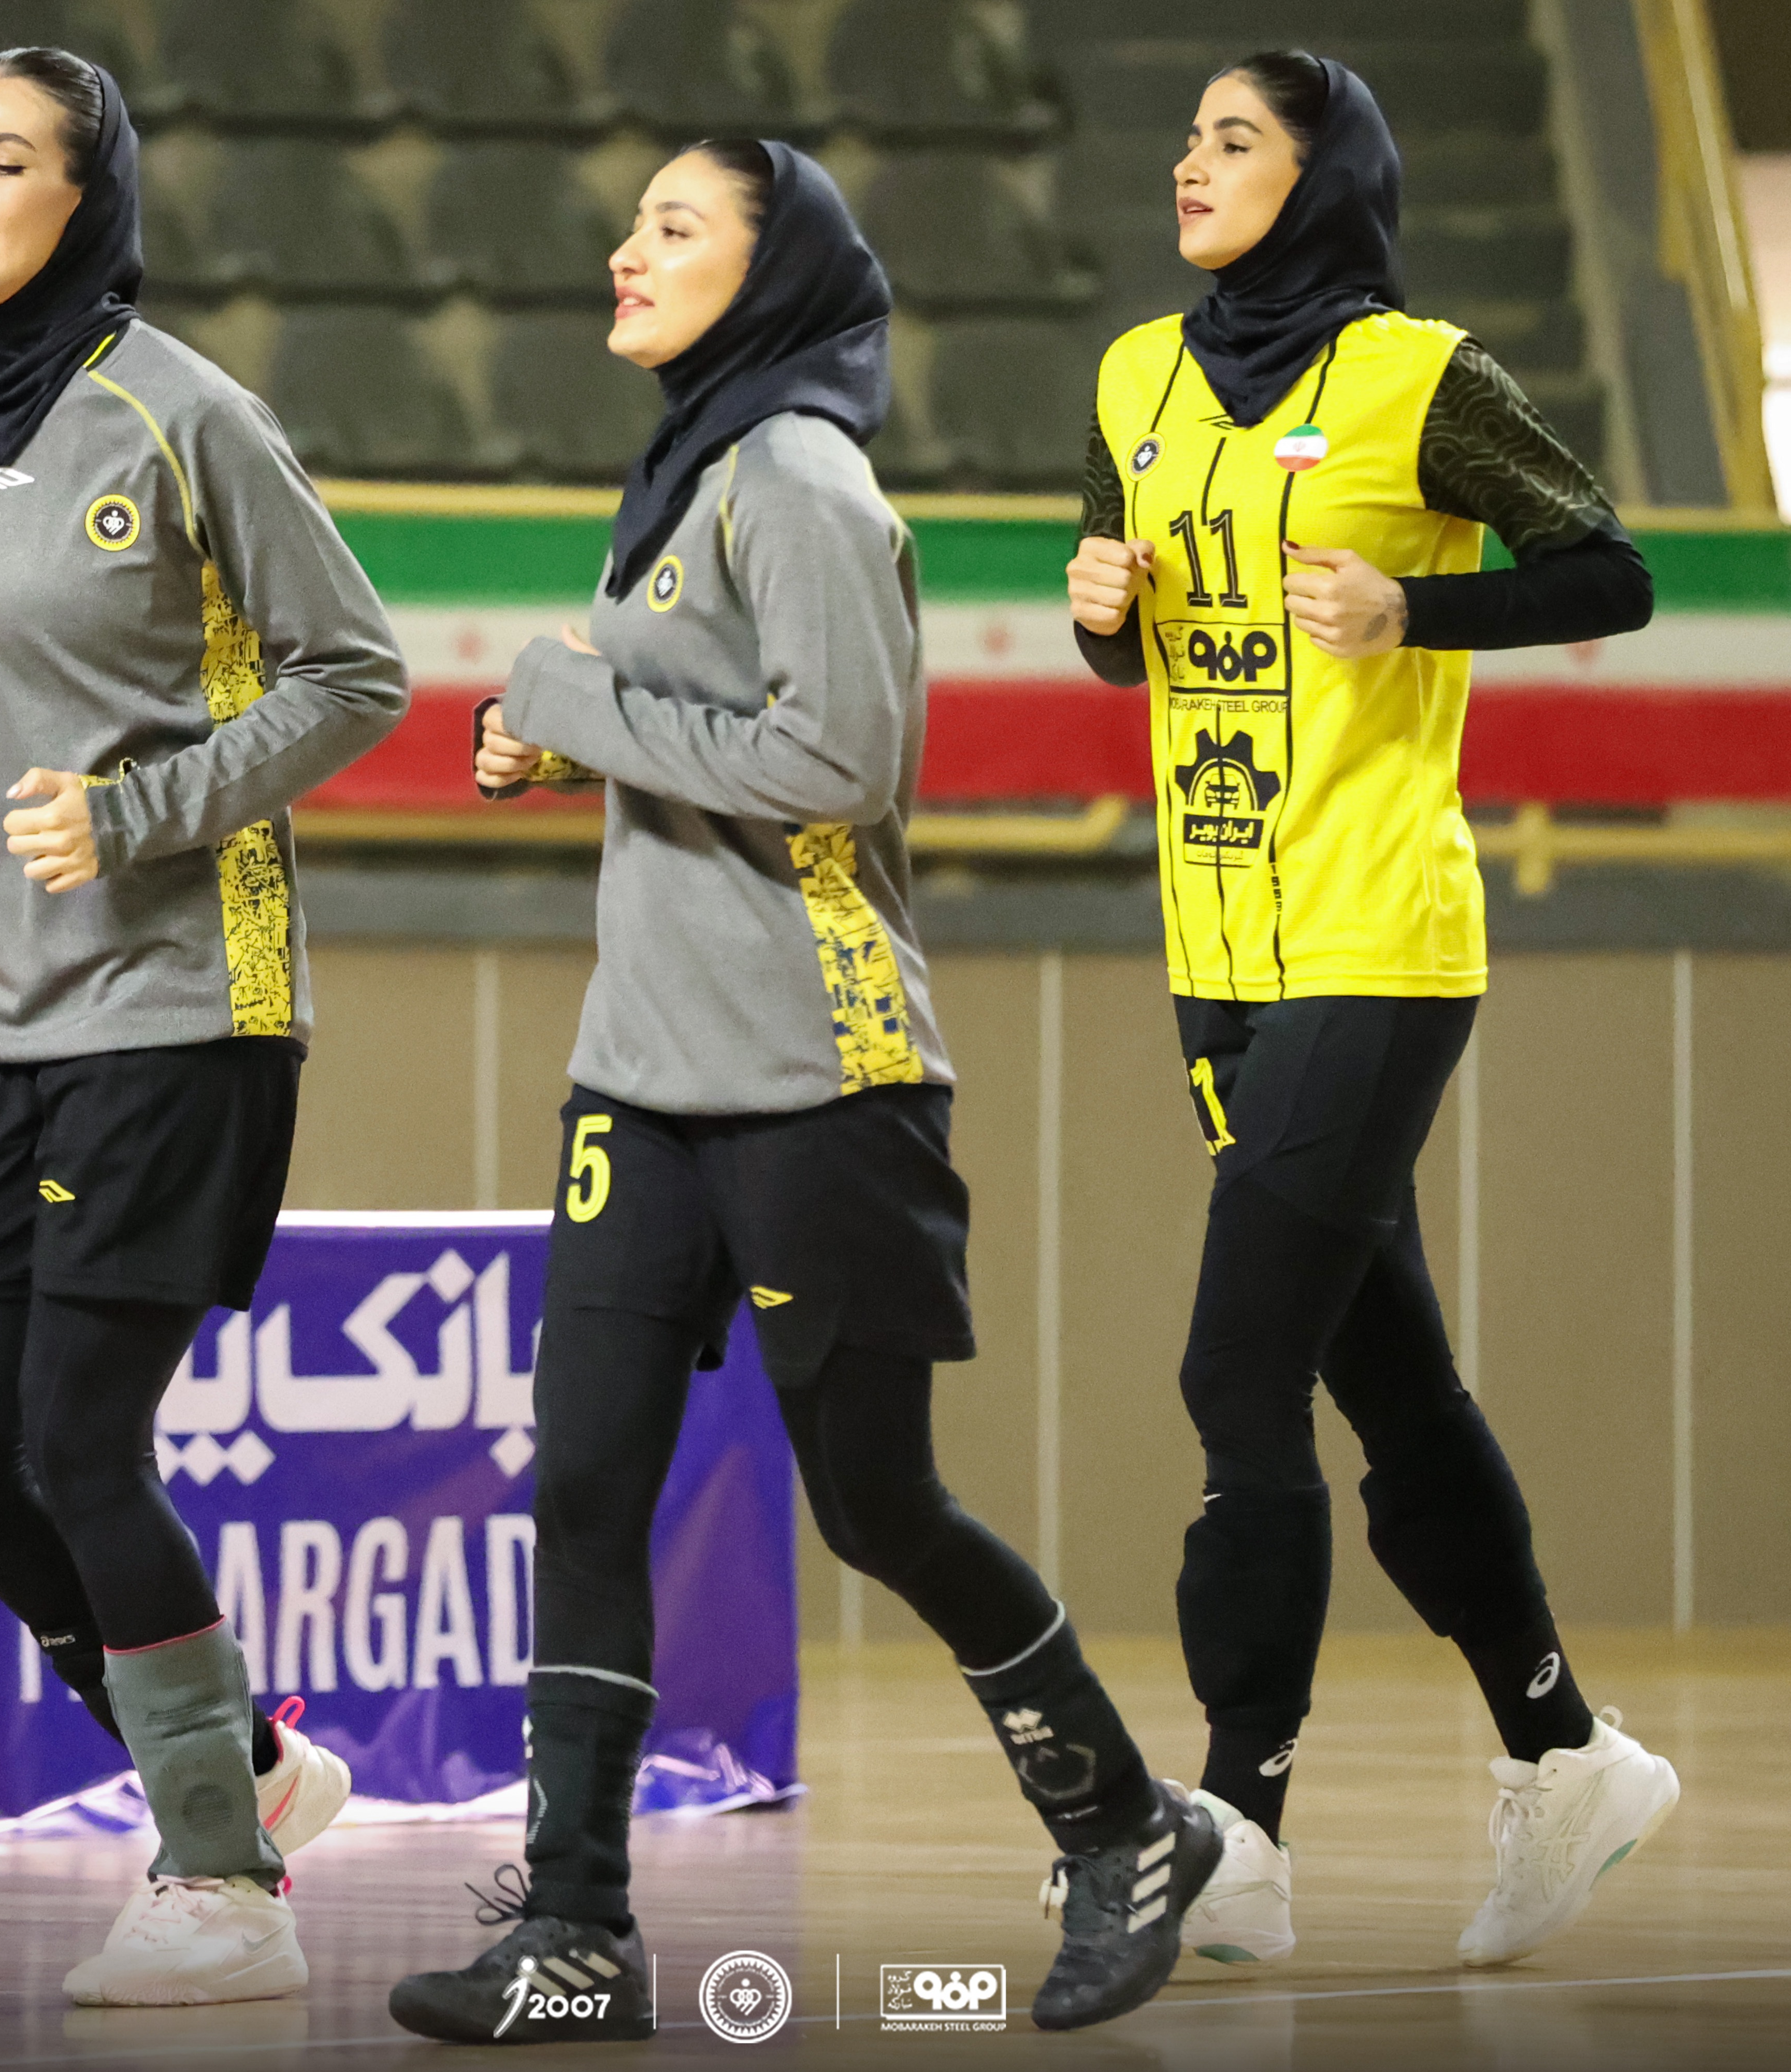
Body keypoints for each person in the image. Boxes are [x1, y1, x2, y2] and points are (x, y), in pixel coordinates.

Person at [385, 140, 1219, 2047]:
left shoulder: (804, 479)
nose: (628, 248)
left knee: (876, 1502)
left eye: (676, 227)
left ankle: (1124, 1829)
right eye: (632, 220)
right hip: (643, 1072)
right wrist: (565, 739)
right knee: (585, 1485)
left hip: (818, 1072)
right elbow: (699, 724)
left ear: (772, 279)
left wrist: (575, 702)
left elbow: (836, 764)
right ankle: (576, 1933)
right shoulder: (687, 471)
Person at [1064, 50, 1678, 1973]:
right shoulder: (1135, 378)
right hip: (1218, 953)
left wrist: (1422, 613)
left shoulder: (1422, 376)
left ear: (1325, 172)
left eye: (1234, 140)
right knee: (1390, 1383)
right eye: (1188, 139)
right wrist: (1099, 614)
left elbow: (1614, 573)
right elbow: (1132, 645)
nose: (1191, 163)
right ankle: (1566, 1756)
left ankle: (1236, 1826)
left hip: (1380, 937)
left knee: (1234, 1373)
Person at [0, 45, 408, 2007]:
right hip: (3, 1015)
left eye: (7, 160)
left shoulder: (190, 416)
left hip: (189, 1005)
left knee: (80, 1440)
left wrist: (137, 813)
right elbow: (14, 700)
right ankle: (242, 1759)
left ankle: (224, 1886)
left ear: (88, 196)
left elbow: (357, 674)